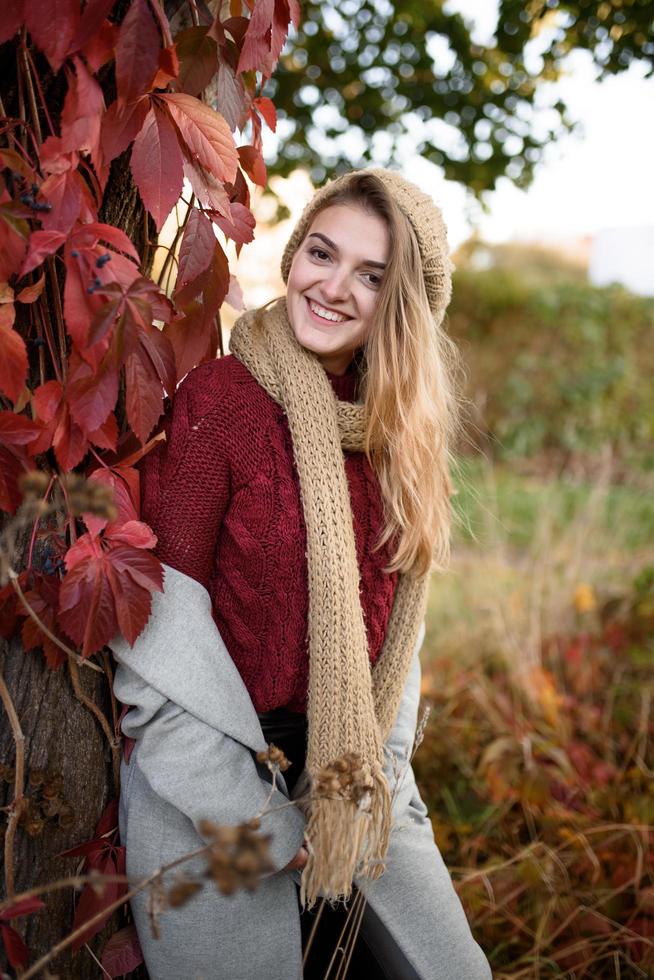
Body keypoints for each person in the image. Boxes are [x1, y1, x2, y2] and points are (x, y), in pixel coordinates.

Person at [109, 168, 492, 979]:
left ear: (404, 306)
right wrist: (272, 831)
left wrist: (357, 802)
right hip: (219, 790)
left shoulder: (403, 439)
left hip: (355, 785)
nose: (333, 287)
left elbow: (394, 652)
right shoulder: (223, 401)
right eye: (322, 253)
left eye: (371, 276)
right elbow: (155, 662)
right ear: (296, 252)